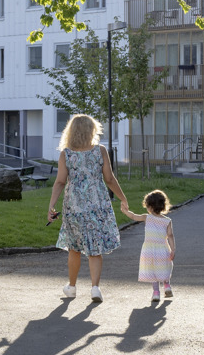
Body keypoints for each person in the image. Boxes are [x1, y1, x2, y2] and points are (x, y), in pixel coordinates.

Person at [47, 114, 130, 302]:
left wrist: (51, 205)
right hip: (97, 204)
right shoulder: (100, 151)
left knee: (74, 248)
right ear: (92, 130)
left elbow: (60, 182)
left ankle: (72, 287)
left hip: (74, 206)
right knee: (95, 248)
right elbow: (109, 179)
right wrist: (122, 198)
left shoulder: (66, 154)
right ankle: (95, 288)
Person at [121, 190, 176, 302]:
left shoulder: (147, 217)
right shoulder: (167, 221)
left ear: (150, 207)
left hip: (149, 250)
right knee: (164, 268)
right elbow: (170, 235)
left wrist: (125, 211)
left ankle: (156, 292)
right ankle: (167, 286)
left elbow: (134, 216)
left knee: (153, 271)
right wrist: (173, 249)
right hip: (163, 249)